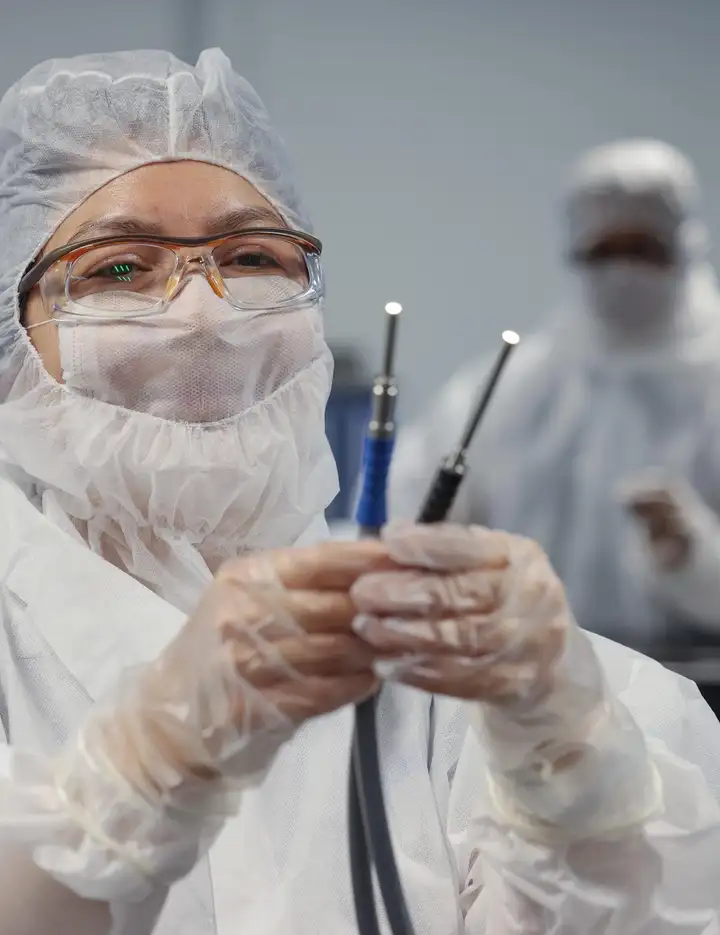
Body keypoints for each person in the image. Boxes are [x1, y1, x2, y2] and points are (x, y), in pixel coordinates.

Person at [0, 53, 718, 935]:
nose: (202, 313)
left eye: (253, 255)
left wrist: (583, 785)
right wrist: (119, 791)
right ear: (11, 338)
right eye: (117, 268)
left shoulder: (501, 706)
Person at [391, 139, 720, 655]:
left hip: (701, 693)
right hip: (527, 682)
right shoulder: (513, 386)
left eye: (642, 250)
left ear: (682, 250)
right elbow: (413, 520)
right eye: (603, 252)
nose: (623, 272)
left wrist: (693, 557)